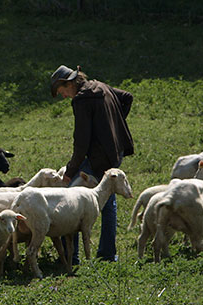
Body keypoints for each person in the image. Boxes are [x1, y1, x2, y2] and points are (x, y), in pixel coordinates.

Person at [50, 65, 134, 263]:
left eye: (62, 91)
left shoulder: (82, 100)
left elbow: (81, 143)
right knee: (107, 198)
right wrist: (112, 127)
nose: (63, 96)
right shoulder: (100, 86)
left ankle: (71, 257)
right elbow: (127, 97)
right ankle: (107, 254)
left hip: (99, 156)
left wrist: (70, 172)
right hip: (115, 151)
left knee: (71, 199)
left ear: (70, 84)